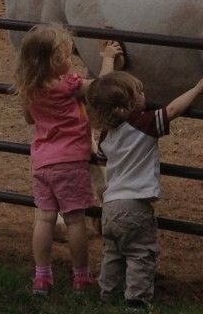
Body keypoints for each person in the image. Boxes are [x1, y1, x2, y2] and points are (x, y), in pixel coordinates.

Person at [13, 23, 123, 296]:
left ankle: (42, 276)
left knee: (45, 219)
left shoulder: (30, 89)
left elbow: (30, 118)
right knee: (75, 221)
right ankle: (81, 276)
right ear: (52, 62)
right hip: (71, 163)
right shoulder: (69, 85)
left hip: (41, 164)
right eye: (64, 56)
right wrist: (107, 58)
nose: (70, 60)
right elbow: (100, 88)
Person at [86, 70, 203, 309]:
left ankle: (108, 294)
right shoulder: (144, 124)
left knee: (113, 253)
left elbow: (101, 158)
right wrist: (197, 89)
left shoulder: (105, 136)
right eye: (139, 93)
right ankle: (137, 300)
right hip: (134, 207)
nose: (145, 95)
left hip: (110, 207)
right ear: (126, 107)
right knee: (140, 254)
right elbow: (173, 110)